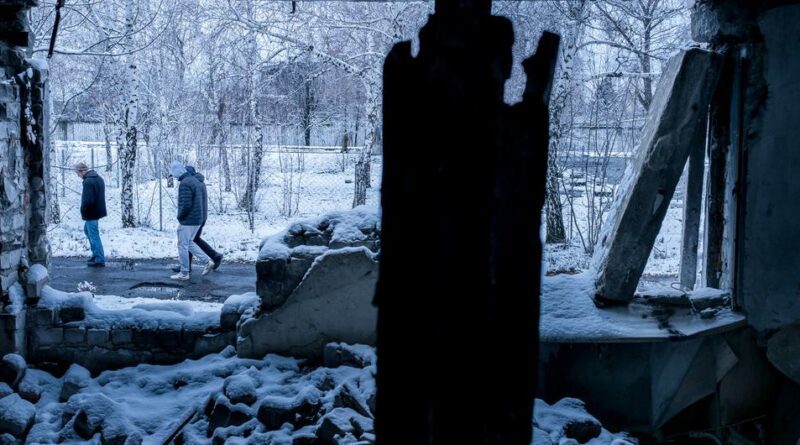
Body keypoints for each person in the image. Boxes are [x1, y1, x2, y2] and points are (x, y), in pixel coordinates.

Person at [171, 165, 223, 274]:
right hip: (200, 216)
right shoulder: (199, 182)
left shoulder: (194, 183)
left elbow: (189, 203)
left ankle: (210, 258)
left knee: (190, 241)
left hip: (195, 217)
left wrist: (181, 216)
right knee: (193, 240)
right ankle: (189, 265)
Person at [75, 162, 107, 268]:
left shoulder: (88, 182)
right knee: (88, 231)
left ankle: (99, 259)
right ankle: (96, 255)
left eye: (77, 173)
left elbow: (87, 199)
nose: (77, 175)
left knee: (93, 235)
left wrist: (83, 210)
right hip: (97, 210)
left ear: (82, 171)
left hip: (91, 212)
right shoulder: (98, 178)